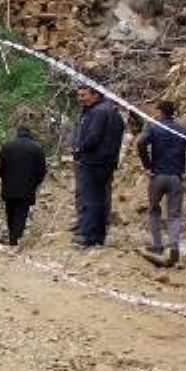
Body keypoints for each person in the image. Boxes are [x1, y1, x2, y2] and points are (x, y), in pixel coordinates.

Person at [135, 101, 186, 266]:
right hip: (175, 177)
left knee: (153, 210)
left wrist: (147, 165)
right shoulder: (183, 129)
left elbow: (140, 142)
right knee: (174, 214)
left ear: (160, 112)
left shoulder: (152, 127)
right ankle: (173, 245)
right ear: (174, 113)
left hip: (157, 175)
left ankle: (157, 245)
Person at [70, 84, 124, 248]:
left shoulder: (98, 112)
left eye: (84, 95)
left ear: (95, 95)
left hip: (93, 161)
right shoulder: (113, 111)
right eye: (79, 95)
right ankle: (98, 235)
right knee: (100, 198)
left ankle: (87, 234)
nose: (80, 99)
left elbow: (93, 137)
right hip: (107, 161)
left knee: (90, 197)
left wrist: (79, 148)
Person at [0, 125, 47, 245]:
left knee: (10, 213)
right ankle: (16, 240)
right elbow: (42, 170)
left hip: (9, 188)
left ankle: (12, 238)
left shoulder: (7, 147)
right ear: (30, 134)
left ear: (17, 133)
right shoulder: (37, 148)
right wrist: (35, 183)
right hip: (27, 189)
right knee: (21, 214)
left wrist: (5, 178)